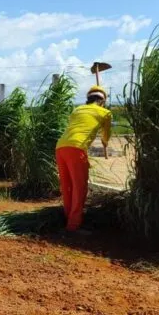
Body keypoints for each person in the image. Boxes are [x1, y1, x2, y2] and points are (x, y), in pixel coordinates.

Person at [55, 85, 112, 233]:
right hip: (77, 148)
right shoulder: (105, 113)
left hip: (61, 147)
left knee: (67, 186)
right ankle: (74, 226)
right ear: (102, 101)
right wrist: (105, 142)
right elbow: (105, 136)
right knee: (79, 187)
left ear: (89, 98)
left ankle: (68, 218)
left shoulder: (77, 109)